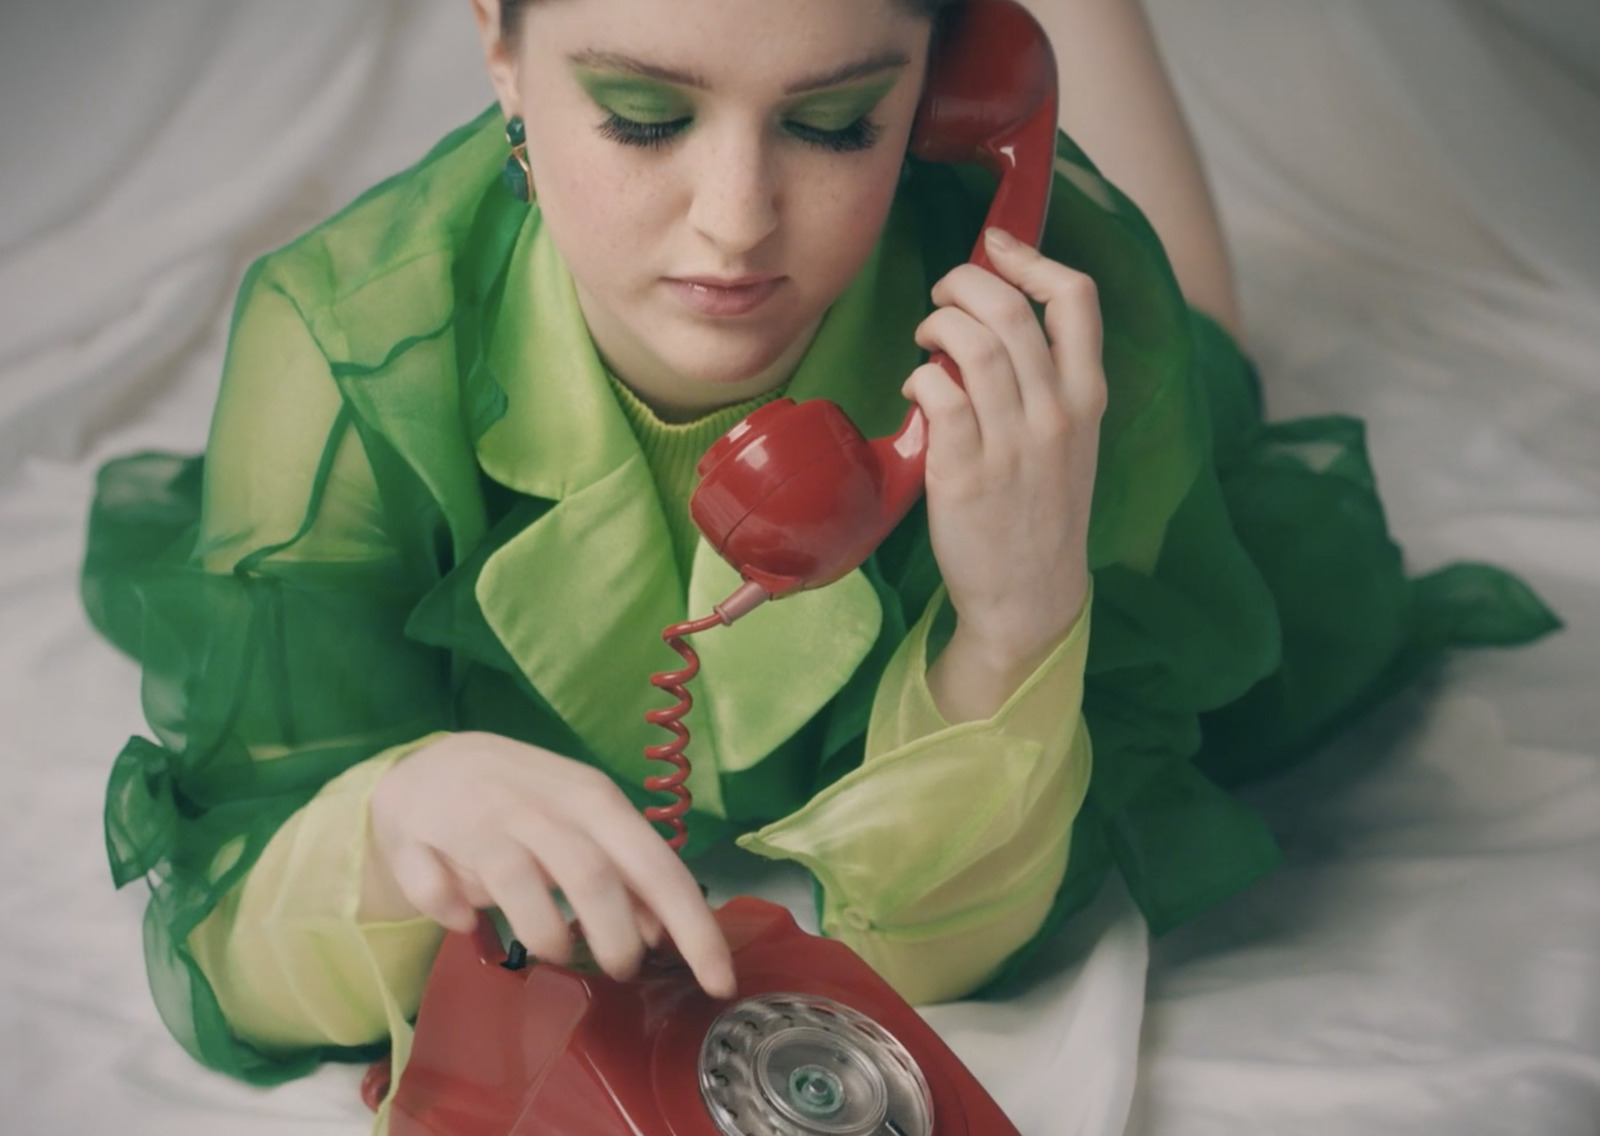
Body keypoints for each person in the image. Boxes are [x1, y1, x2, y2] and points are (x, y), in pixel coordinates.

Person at [81, 0, 1557, 1115]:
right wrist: (390, 812)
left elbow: (951, 958)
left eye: (838, 121)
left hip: (1092, 374)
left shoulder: (1052, 302)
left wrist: (1014, 620)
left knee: (1213, 357)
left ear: (944, 89)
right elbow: (233, 941)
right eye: (644, 116)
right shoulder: (339, 342)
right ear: (499, 46)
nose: (735, 227)